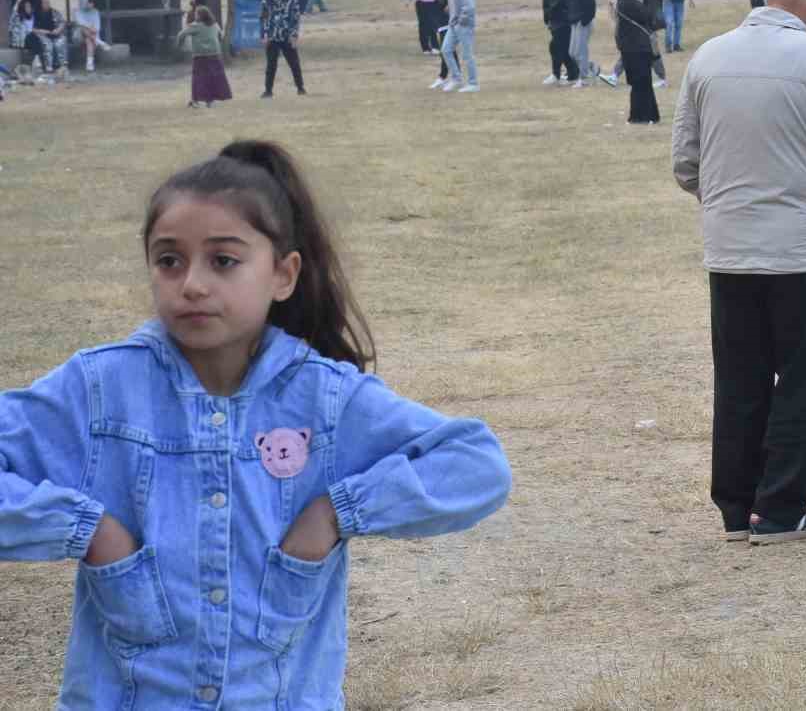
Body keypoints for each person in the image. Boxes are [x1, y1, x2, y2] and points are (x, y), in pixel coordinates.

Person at [0, 139, 512, 709]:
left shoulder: (327, 400)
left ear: (282, 275)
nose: (192, 283)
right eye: (169, 260)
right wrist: (87, 529)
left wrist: (336, 513)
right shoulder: (99, 392)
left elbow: (476, 464)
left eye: (223, 260)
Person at [671, 0, 806, 544]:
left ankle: (737, 508)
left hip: (730, 250)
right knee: (805, 380)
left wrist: (730, 203)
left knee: (739, 377)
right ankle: (782, 506)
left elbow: (686, 163)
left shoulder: (707, 57)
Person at [612, 0, 663, 123]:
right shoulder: (627, 3)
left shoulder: (623, 0)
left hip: (633, 48)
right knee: (641, 83)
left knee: (640, 83)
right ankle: (643, 116)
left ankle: (644, 116)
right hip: (636, 48)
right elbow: (648, 17)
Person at [174, 6, 232, 108]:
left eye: (196, 14)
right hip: (215, 54)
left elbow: (181, 35)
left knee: (198, 78)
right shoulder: (215, 25)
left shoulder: (195, 26)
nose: (195, 15)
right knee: (213, 78)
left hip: (200, 56)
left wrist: (179, 45)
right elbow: (220, 36)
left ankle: (195, 100)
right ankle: (209, 101)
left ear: (200, 16)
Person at [259, 0, 306, 99]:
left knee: (294, 63)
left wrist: (294, 35)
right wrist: (263, 35)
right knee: (271, 65)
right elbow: (263, 18)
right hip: (272, 36)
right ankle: (268, 90)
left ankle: (300, 87)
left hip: (286, 36)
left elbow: (295, 18)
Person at [439, 0, 479, 93]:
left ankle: (473, 83)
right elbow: (455, 3)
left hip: (464, 25)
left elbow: (469, 7)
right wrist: (449, 9)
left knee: (467, 54)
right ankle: (456, 78)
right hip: (453, 24)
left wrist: (461, 20)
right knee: (445, 50)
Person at [539, 0, 579, 85]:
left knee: (556, 48)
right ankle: (572, 74)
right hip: (559, 23)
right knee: (562, 49)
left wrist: (549, 20)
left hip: (562, 24)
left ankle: (557, 75)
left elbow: (552, 8)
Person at [566, 0, 598, 83]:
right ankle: (590, 66)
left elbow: (591, 7)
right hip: (574, 23)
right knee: (572, 53)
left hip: (583, 23)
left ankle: (583, 78)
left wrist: (584, 21)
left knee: (581, 52)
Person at [30, 0, 68, 73]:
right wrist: (42, 31)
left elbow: (62, 22)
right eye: (45, 3)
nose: (47, 4)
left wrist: (58, 30)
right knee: (48, 45)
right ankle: (49, 67)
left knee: (61, 42)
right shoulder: (35, 14)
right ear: (40, 4)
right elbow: (32, 28)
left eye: (48, 2)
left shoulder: (54, 12)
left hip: (55, 34)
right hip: (41, 35)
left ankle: (62, 66)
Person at [73, 0, 110, 72]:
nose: (92, 4)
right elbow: (80, 22)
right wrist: (90, 27)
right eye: (89, 2)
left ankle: (89, 64)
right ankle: (100, 42)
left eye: (92, 2)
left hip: (91, 35)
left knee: (88, 40)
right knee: (83, 28)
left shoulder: (95, 11)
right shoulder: (77, 11)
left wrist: (94, 29)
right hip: (78, 35)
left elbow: (97, 26)